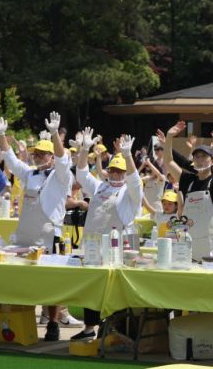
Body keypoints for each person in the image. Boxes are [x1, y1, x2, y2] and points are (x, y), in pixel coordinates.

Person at [0, 112, 72, 341]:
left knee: (51, 282)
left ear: (50, 156)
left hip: (48, 236)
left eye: (42, 154)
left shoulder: (60, 176)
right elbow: (10, 159)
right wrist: (1, 136)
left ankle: (53, 322)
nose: (37, 157)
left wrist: (56, 134)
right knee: (18, 277)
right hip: (25, 235)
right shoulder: (29, 174)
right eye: (35, 153)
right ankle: (16, 316)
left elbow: (63, 157)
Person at [71, 128, 142, 341]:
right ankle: (89, 328)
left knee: (115, 290)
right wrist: (84, 149)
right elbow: (82, 173)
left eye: (120, 171)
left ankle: (113, 327)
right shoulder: (100, 187)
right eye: (112, 170)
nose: (115, 174)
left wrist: (128, 156)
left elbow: (135, 180)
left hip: (118, 248)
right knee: (91, 288)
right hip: (93, 247)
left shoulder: (130, 193)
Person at [163, 119, 213, 259]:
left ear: (212, 160)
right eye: (196, 156)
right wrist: (169, 137)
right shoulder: (187, 181)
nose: (199, 159)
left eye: (204, 156)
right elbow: (168, 161)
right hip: (188, 249)